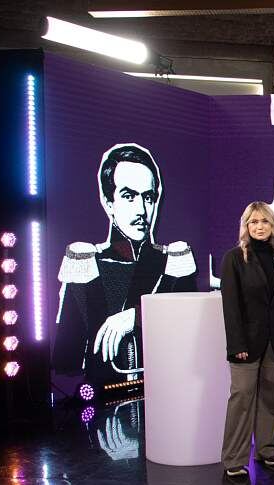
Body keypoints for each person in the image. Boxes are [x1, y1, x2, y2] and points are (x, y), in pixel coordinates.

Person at [53, 143, 196, 385]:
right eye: (129, 196)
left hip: (168, 387)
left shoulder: (174, 259)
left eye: (148, 198)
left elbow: (190, 327)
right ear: (108, 202)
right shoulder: (86, 262)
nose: (141, 210)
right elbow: (69, 356)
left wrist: (137, 316)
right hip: (102, 393)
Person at [219, 202, 274, 478]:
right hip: (247, 343)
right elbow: (231, 306)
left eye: (265, 221)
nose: (259, 227)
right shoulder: (234, 259)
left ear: (273, 226)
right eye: (254, 222)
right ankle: (234, 460)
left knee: (272, 398)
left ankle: (267, 450)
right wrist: (236, 345)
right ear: (246, 226)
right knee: (242, 398)